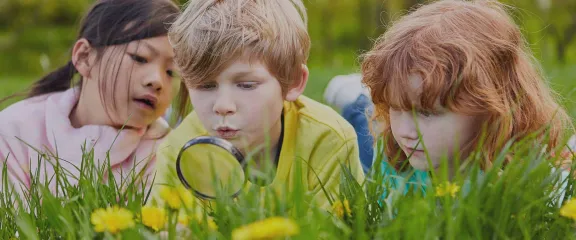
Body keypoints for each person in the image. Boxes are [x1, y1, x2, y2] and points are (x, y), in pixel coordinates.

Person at [325, 0, 575, 191]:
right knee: (367, 148)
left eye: (426, 112)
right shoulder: (392, 169)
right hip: (378, 147)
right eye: (396, 107)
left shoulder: (530, 185)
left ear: (491, 106)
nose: (406, 131)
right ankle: (359, 102)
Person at [149, 0, 365, 210]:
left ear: (293, 82)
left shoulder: (329, 139)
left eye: (246, 85)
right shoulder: (177, 148)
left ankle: (360, 100)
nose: (223, 106)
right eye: (205, 86)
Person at [0, 0, 182, 199]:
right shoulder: (15, 132)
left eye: (171, 72)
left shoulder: (169, 152)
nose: (157, 80)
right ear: (85, 57)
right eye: (140, 58)